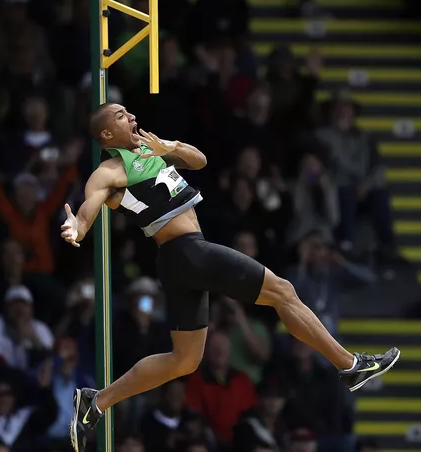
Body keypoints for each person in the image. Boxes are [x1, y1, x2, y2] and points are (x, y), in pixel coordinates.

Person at [59, 103, 400, 452]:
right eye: (120, 117)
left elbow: (199, 161)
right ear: (105, 135)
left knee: (184, 360)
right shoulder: (111, 169)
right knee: (283, 291)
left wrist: (170, 148)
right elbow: (90, 204)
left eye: (128, 113)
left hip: (178, 260)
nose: (131, 117)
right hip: (186, 250)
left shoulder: (150, 147)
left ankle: (96, 401)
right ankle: (350, 365)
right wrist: (77, 226)